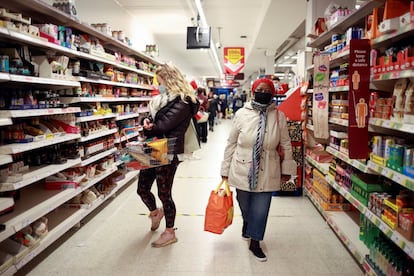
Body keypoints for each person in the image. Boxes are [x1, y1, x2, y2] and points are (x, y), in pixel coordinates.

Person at [220, 78, 296, 261]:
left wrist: (287, 169)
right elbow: (231, 143)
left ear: (272, 93)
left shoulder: (279, 116)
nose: (263, 91)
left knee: (261, 209)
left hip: (269, 166)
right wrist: (224, 169)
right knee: (244, 203)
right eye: (259, 89)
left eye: (267, 89)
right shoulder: (241, 114)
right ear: (253, 92)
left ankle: (255, 242)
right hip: (242, 165)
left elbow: (286, 144)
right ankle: (248, 222)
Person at [138, 63, 200, 247]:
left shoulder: (184, 101)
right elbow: (150, 118)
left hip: (169, 150)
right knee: (142, 189)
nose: (159, 84)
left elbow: (164, 125)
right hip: (154, 147)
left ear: (170, 80)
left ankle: (170, 232)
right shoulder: (160, 100)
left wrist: (150, 127)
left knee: (164, 193)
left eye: (161, 81)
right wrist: (145, 121)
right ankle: (155, 212)